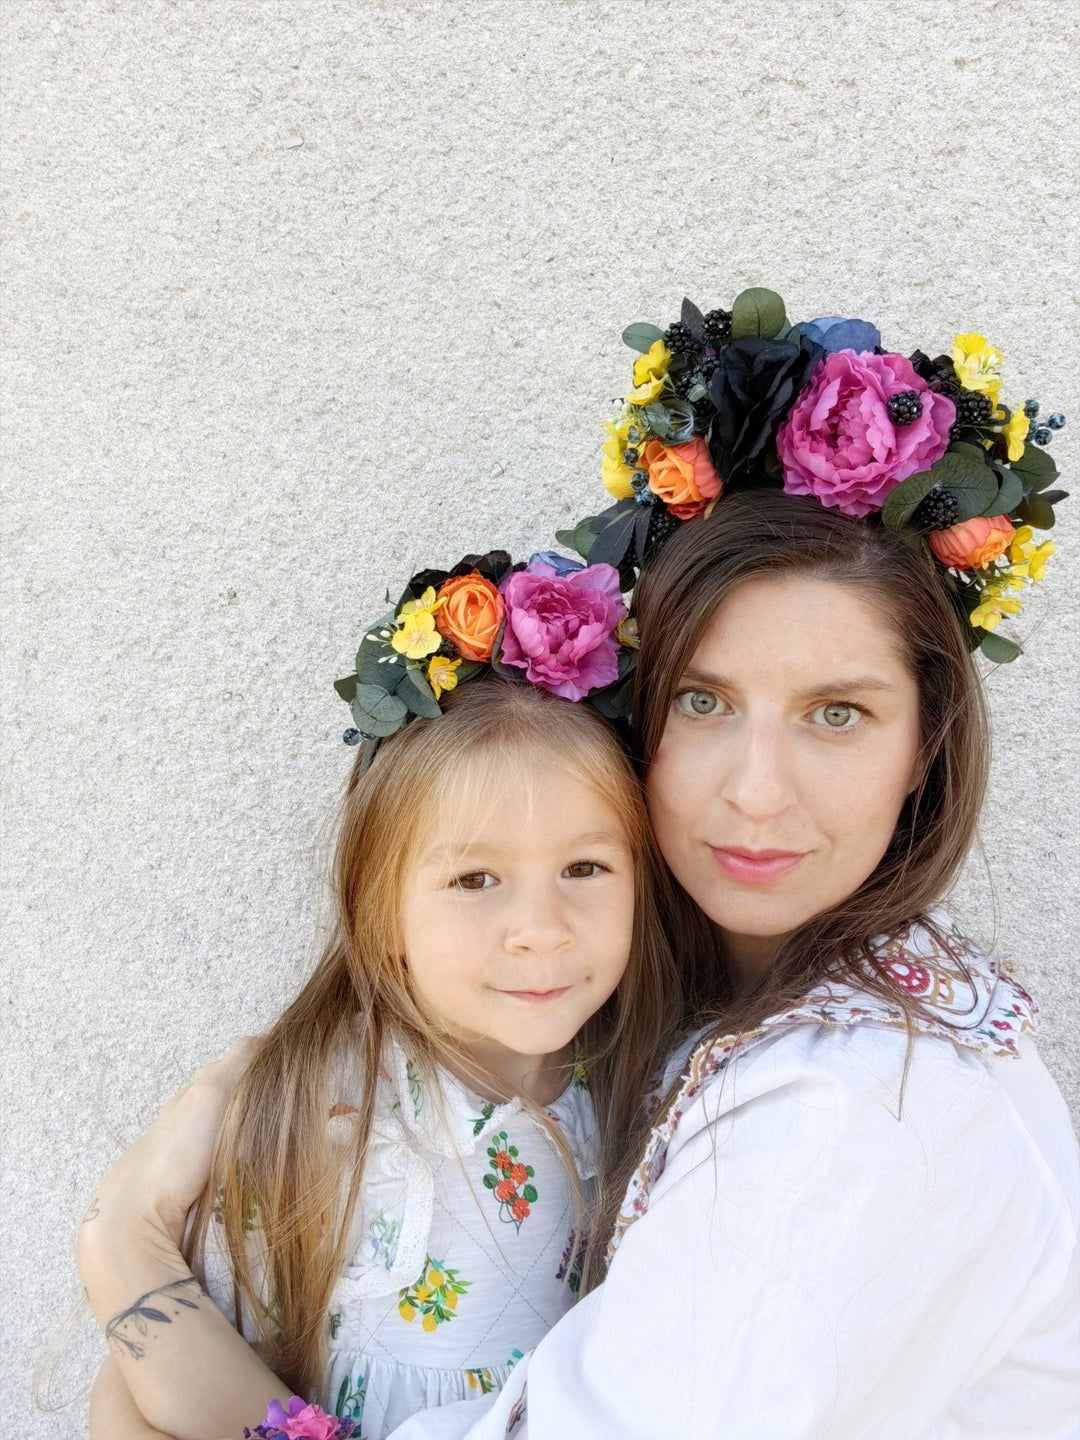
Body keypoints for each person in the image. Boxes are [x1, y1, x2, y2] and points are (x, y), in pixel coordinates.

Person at [82, 298, 1079, 1438]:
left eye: (838, 714)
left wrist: (122, 1254)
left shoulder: (857, 1108)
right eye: (703, 702)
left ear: (926, 751)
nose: (758, 788)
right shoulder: (651, 1039)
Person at [78, 633, 680, 1439]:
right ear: (382, 908)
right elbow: (138, 1396)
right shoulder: (329, 1113)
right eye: (475, 879)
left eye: (585, 869)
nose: (541, 930)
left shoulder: (650, 1098)